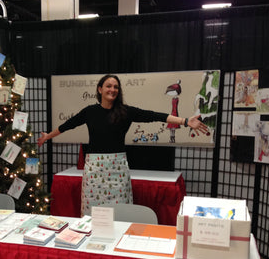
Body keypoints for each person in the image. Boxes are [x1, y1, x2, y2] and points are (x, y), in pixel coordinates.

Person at [37, 74, 209, 216]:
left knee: (119, 212)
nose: (112, 89)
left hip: (117, 169)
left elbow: (153, 115)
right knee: (93, 212)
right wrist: (48, 136)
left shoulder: (125, 112)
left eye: (116, 87)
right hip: (94, 170)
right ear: (100, 89)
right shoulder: (90, 112)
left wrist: (185, 121)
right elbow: (67, 125)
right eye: (108, 86)